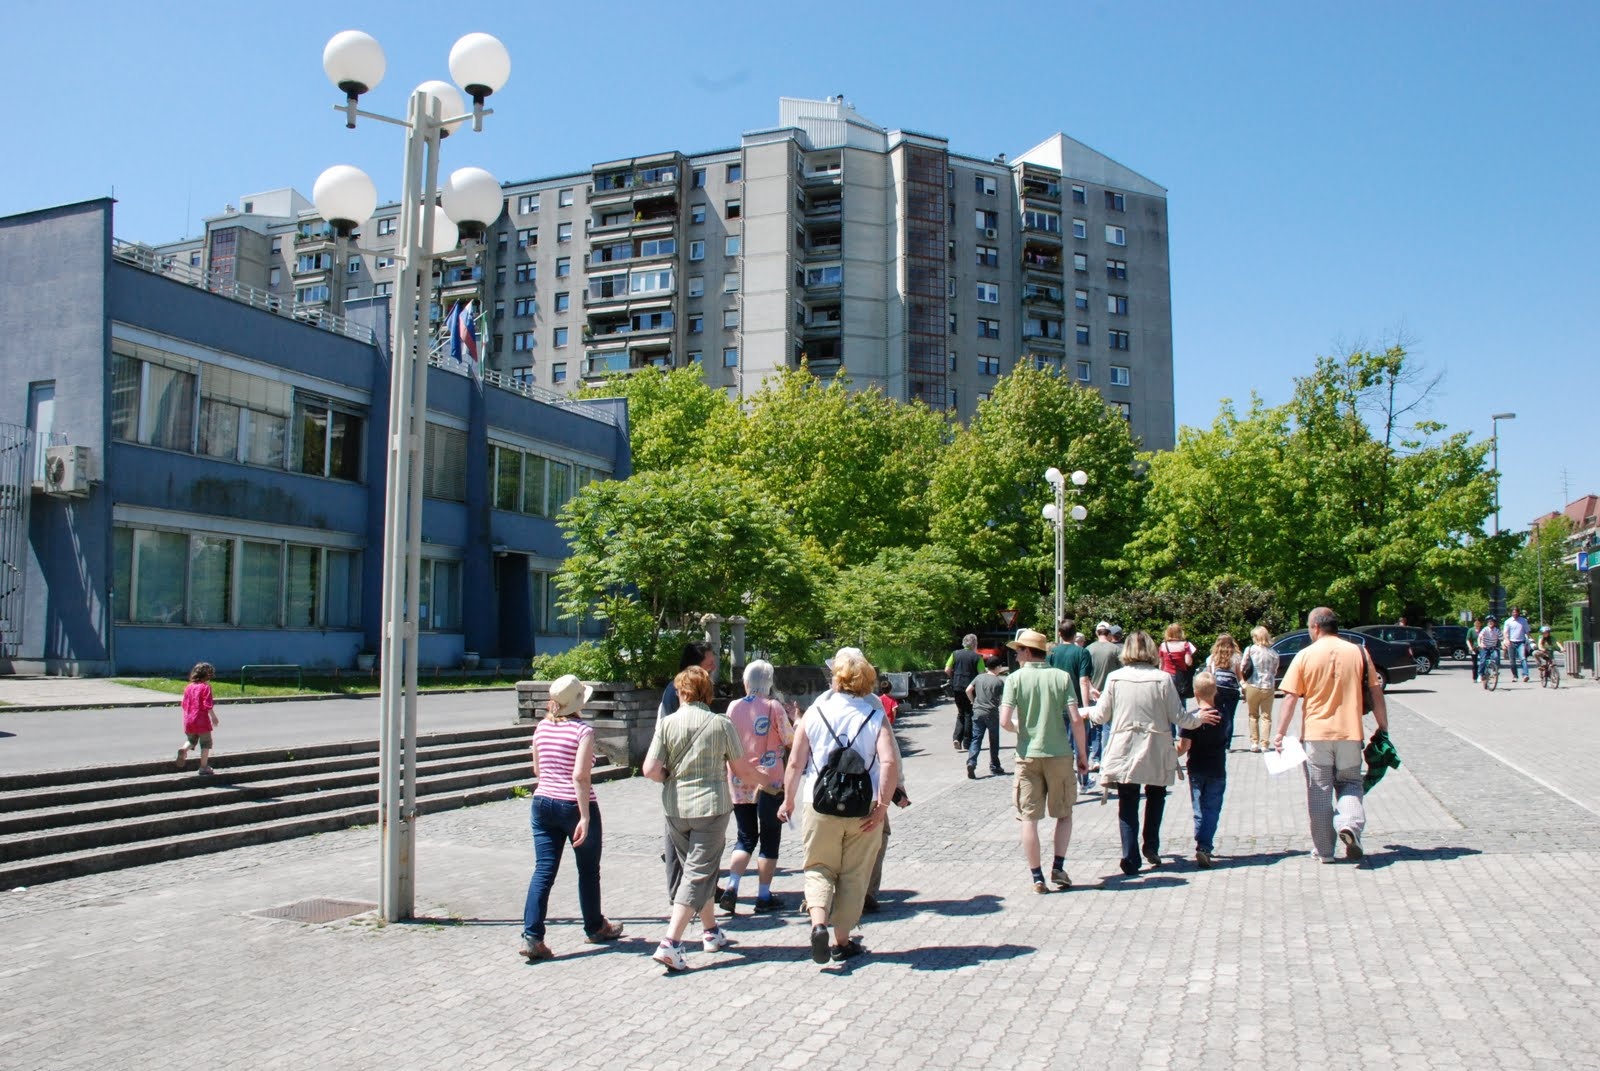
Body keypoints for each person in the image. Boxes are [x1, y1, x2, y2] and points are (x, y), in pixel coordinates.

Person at [642, 666, 768, 973]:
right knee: (698, 875)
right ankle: (671, 943)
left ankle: (710, 931)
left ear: (681, 691)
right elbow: (741, 770)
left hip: (675, 809)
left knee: (697, 872)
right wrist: (768, 781)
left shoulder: (667, 723)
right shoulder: (720, 724)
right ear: (707, 692)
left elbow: (650, 769)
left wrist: (669, 778)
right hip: (711, 808)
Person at [779, 648, 899, 965]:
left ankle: (818, 923)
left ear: (837, 679)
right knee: (854, 876)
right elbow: (889, 762)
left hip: (819, 804)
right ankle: (842, 941)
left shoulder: (815, 713)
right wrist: (883, 806)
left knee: (818, 867)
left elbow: (795, 762)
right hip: (863, 807)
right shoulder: (875, 716)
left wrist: (788, 799)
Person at [1088, 631, 1215, 875]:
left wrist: (1087, 711)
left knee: (1127, 801)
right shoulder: (1163, 679)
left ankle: (1130, 855)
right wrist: (1199, 719)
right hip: (1155, 745)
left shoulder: (1115, 678)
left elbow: (1100, 715)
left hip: (1124, 746)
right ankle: (1151, 845)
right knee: (1156, 796)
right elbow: (1178, 717)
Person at [519, 674, 624, 962]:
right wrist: (585, 817)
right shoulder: (583, 731)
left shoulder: (541, 728)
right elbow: (581, 775)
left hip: (542, 803)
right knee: (588, 870)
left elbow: (538, 771)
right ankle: (594, 926)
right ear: (579, 702)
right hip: (573, 805)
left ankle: (533, 936)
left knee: (543, 870)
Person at [1272, 607, 1390, 863]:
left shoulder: (1305, 655)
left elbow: (1290, 697)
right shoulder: (1359, 652)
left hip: (1316, 736)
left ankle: (1325, 851)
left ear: (1315, 627)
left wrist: (1279, 734)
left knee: (1319, 791)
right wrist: (1383, 726)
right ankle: (1349, 824)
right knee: (1350, 783)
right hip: (1350, 732)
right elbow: (1376, 690)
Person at [998, 628, 1088, 893]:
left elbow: (1004, 721)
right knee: (1064, 813)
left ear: (1027, 651)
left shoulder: (1014, 679)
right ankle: (1058, 866)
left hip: (1027, 755)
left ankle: (1037, 877)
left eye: (1018, 651)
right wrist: (1083, 755)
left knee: (1029, 818)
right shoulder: (1061, 678)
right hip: (1059, 752)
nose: (1015, 656)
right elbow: (1075, 718)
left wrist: (1022, 729)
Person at [718, 660, 795, 916]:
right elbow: (789, 739)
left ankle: (732, 886)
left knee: (745, 836)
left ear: (747, 682)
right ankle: (763, 895)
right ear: (769, 682)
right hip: (770, 782)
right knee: (770, 838)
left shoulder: (733, 706)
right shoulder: (774, 707)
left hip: (739, 779)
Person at [1178, 672, 1228, 869]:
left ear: (1195, 693)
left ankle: (1202, 844)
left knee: (1199, 807)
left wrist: (1169, 755)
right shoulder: (1222, 716)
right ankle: (1205, 845)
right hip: (1217, 768)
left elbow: (1184, 747)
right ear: (1215, 691)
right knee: (1212, 808)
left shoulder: (1191, 719)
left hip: (1196, 768)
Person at [1084, 622, 1123, 769]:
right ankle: (1106, 758)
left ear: (1096, 633)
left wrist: (1091, 688)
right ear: (1108, 633)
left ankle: (1095, 758)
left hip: (1094, 692)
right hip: (1111, 693)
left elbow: (1085, 674)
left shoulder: (1088, 649)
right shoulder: (1115, 649)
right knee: (1108, 727)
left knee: (1094, 727)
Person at [965, 654, 1008, 778]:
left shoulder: (979, 677)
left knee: (976, 738)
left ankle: (971, 762)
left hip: (978, 711)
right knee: (994, 740)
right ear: (998, 667)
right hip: (991, 713)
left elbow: (968, 690)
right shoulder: (999, 681)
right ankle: (995, 765)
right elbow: (1003, 699)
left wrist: (973, 701)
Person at [175, 662, 219, 776]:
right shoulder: (205, 687)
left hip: (189, 720)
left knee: (191, 740)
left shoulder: (188, 687)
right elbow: (207, 704)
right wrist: (213, 717)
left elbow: (184, 704)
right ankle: (203, 767)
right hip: (202, 721)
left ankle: (184, 750)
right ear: (208, 675)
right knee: (206, 744)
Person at [1240, 626, 1280, 754]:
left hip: (1253, 684)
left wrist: (1243, 683)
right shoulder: (1273, 653)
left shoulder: (1250, 650)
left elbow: (1243, 666)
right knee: (1266, 717)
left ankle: (1254, 743)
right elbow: (1275, 671)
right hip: (1268, 686)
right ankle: (1265, 744)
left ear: (1256, 637)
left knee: (1253, 715)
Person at [945, 634, 983, 752]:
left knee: (960, 712)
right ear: (974, 644)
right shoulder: (977, 657)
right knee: (969, 714)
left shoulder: (955, 654)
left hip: (957, 687)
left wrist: (954, 677)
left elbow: (947, 669)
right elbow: (981, 674)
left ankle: (957, 738)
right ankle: (967, 742)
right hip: (970, 689)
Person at [658, 642, 717, 717]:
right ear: (695, 668)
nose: (714, 667)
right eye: (710, 664)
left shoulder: (682, 687)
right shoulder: (679, 691)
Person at [1204, 633, 1243, 748]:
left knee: (1217, 714)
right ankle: (1227, 744)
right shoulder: (1236, 657)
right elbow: (1239, 676)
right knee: (1230, 716)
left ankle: (1216, 740)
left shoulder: (1211, 658)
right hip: (1232, 690)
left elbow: (1208, 676)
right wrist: (1244, 689)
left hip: (1217, 689)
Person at [1158, 624, 1197, 721]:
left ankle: (1172, 733)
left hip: (1167, 676)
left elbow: (1161, 664)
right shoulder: (1185, 645)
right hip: (1181, 677)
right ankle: (1181, 729)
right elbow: (1188, 662)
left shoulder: (1163, 645)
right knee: (1181, 704)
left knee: (1168, 703)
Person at [1505, 608, 1531, 682]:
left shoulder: (1523, 621)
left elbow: (1527, 631)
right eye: (1513, 612)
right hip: (1511, 642)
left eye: (1516, 612)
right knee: (1512, 661)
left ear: (1518, 613)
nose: (1515, 613)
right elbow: (1505, 633)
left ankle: (1525, 675)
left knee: (1523, 658)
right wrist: (1506, 640)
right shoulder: (1508, 621)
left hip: (1521, 642)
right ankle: (1515, 676)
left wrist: (1530, 640)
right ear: (1511, 613)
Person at [1476, 616, 1503, 687]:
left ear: (1494, 623)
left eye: (1492, 622)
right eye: (1489, 622)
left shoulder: (1497, 630)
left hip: (1493, 647)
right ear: (1487, 623)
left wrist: (1503, 645)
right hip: (1484, 647)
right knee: (1483, 660)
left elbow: (1501, 639)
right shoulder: (1485, 629)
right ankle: (1480, 674)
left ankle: (1495, 671)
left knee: (1496, 656)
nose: (1490, 623)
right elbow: (1479, 637)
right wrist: (1480, 644)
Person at [1467, 616, 1482, 682]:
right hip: (1474, 648)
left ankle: (1481, 675)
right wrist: (1470, 648)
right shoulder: (1471, 630)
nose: (1477, 624)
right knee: (1474, 664)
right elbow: (1467, 640)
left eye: (1478, 623)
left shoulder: (1482, 630)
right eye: (1476, 623)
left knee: (1483, 662)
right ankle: (1474, 678)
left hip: (1481, 648)